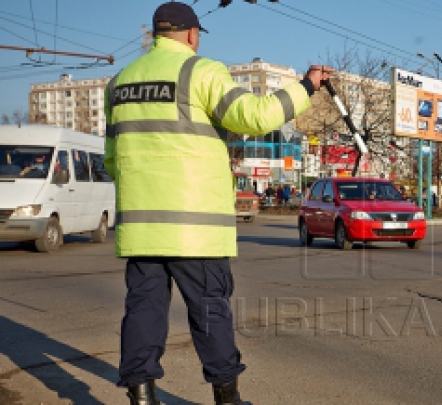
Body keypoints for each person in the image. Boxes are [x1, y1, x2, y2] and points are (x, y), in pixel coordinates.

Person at [103, 3, 333, 404]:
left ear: (156, 35)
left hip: (141, 227)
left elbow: (111, 158)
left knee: (143, 310)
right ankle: (227, 398)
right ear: (192, 35)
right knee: (210, 312)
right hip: (195, 228)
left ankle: (141, 397)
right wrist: (306, 87)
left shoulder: (119, 82)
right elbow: (256, 115)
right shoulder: (200, 71)